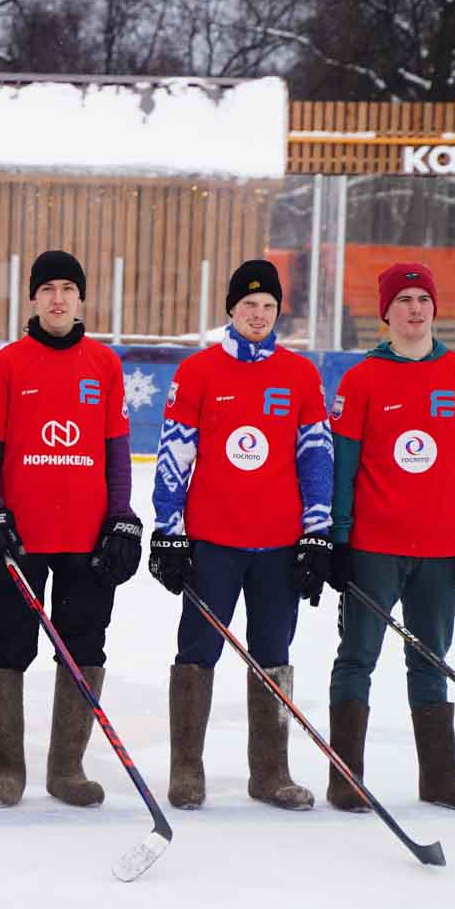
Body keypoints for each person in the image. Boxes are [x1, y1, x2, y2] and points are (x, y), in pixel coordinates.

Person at [148, 258, 333, 811]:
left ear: (279, 312)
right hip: (213, 542)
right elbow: (175, 451)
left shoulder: (299, 375)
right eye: (249, 305)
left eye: (268, 306)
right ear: (231, 308)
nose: (258, 314)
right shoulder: (200, 371)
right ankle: (187, 770)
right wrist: (169, 530)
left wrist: (318, 531)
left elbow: (316, 457)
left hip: (278, 544)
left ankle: (270, 773)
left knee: (273, 652)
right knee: (197, 650)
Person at [0, 250, 141, 807]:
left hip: (87, 538)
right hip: (22, 537)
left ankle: (66, 769)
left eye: (68, 287)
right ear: (34, 297)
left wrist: (121, 518)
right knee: (8, 644)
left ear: (80, 297)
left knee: (84, 645)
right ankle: (4, 771)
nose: (58, 298)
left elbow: (117, 453)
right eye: (48, 288)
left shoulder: (104, 366)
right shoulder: (7, 365)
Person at [325, 262, 455, 812]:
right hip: (375, 546)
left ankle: (439, 777)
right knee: (358, 658)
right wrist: (340, 539)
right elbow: (343, 466)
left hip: (442, 550)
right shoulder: (363, 379)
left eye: (423, 298)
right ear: (386, 312)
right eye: (404, 300)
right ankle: (346, 778)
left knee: (431, 660)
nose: (415, 309)